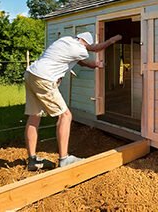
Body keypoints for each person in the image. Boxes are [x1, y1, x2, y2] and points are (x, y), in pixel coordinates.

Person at [24, 31, 122, 170]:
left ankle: (32, 160)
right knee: (66, 115)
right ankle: (64, 159)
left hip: (31, 74)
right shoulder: (80, 49)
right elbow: (95, 48)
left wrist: (94, 65)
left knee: (34, 116)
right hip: (44, 78)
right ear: (86, 43)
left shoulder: (65, 41)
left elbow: (80, 63)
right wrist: (112, 40)